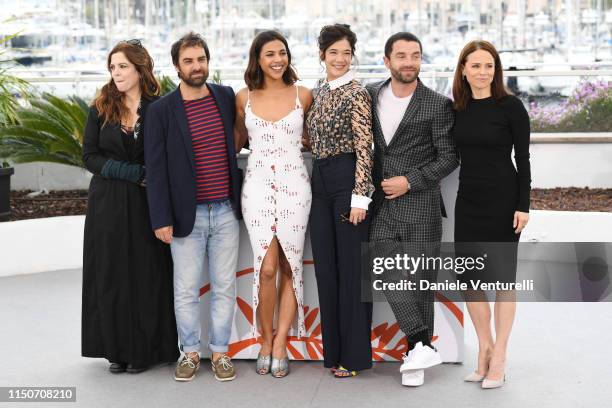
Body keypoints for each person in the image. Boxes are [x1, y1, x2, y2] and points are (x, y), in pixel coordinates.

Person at [144, 32, 243, 382]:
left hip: (226, 211)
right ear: (176, 67)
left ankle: (219, 353)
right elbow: (154, 171)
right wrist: (161, 218)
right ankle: (188, 352)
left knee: (224, 286)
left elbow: (241, 139)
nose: (196, 66)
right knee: (185, 289)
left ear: (208, 62)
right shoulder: (161, 111)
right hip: (187, 215)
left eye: (201, 59)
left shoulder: (225, 96)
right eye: (188, 60)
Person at [366, 32, 459, 387]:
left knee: (420, 283)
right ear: (386, 60)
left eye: (415, 55)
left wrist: (411, 180)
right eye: (401, 55)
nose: (409, 62)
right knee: (382, 266)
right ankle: (423, 342)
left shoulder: (436, 104)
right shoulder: (370, 94)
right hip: (381, 205)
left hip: (419, 204)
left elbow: (449, 156)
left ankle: (416, 359)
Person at [82, 39, 179, 374]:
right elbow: (89, 156)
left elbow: (169, 153)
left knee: (146, 273)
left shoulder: (159, 107)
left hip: (145, 204)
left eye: (122, 66)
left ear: (140, 68)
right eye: (112, 67)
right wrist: (133, 172)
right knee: (111, 275)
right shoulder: (100, 106)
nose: (116, 72)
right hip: (107, 204)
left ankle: (145, 350)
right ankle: (116, 351)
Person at [452, 40, 530, 389]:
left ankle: (500, 355)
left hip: (503, 201)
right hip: (468, 202)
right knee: (469, 280)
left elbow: (524, 160)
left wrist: (523, 205)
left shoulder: (511, 107)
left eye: (489, 66)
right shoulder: (456, 108)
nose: (483, 72)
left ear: (495, 71)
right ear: (464, 70)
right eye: (476, 66)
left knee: (502, 281)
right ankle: (483, 350)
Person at [234, 30, 313, 378]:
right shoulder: (243, 98)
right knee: (266, 267)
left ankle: (281, 342)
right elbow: (235, 142)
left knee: (289, 265)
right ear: (258, 59)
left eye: (282, 52)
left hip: (296, 185)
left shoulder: (304, 95)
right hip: (257, 187)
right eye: (270, 54)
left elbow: (313, 138)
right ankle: (264, 340)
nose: (278, 59)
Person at [305, 24, 374, 378]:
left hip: (348, 180)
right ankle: (332, 352)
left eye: (346, 53)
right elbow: (311, 140)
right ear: (322, 55)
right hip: (319, 181)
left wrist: (360, 196)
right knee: (327, 270)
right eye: (334, 52)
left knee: (350, 271)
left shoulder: (357, 92)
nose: (341, 59)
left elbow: (365, 147)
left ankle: (354, 357)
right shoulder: (317, 92)